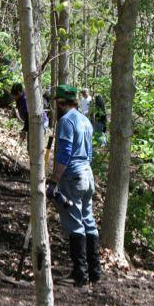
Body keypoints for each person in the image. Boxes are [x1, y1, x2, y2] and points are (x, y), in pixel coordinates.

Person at [47, 84, 101, 286]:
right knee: (88, 220)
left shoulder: (66, 121)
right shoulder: (85, 120)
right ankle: (94, 272)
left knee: (75, 223)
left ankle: (81, 274)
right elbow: (89, 153)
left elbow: (64, 153)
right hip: (87, 175)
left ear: (61, 102)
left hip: (73, 177)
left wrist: (54, 180)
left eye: (57, 103)